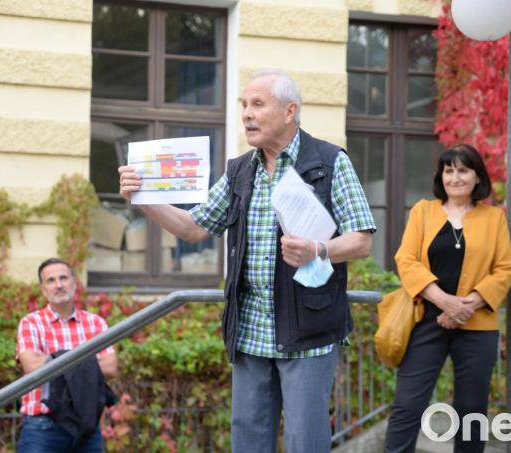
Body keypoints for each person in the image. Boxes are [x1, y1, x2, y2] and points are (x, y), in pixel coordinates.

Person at [118, 69, 376, 453]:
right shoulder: (240, 170)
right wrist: (144, 200)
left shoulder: (329, 161)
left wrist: (318, 250)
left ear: (290, 111)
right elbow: (193, 228)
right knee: (249, 443)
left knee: (306, 442)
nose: (247, 114)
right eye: (244, 105)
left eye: (257, 104)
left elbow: (361, 240)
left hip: (308, 331)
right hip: (250, 332)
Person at [383, 144, 511, 453]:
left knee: (471, 412)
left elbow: (505, 267)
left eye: (463, 170)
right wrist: (445, 302)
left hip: (477, 326)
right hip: (425, 321)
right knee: (407, 405)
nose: (455, 178)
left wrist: (468, 304)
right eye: (449, 170)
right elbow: (407, 260)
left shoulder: (494, 218)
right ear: (441, 176)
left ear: (476, 176)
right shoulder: (423, 211)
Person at [16, 258, 119, 453]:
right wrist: (88, 363)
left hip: (87, 427)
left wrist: (52, 360)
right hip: (43, 428)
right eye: (51, 280)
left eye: (63, 278)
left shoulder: (95, 323)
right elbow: (32, 366)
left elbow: (110, 367)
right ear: (43, 288)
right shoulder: (31, 323)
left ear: (74, 282)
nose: (59, 285)